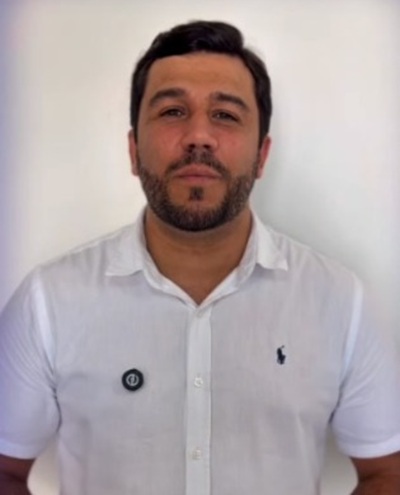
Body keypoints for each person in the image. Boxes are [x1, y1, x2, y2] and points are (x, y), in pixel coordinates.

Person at [0, 20, 399, 495]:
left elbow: (387, 470)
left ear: (262, 155)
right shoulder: (49, 301)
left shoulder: (339, 301)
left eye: (225, 115)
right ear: (133, 150)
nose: (199, 136)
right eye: (172, 111)